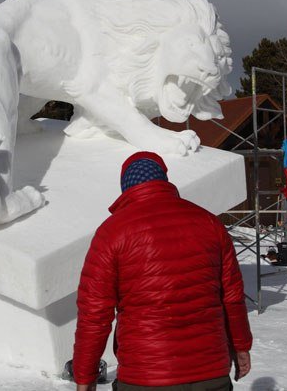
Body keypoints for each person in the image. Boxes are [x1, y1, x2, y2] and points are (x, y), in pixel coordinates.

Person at [72, 151, 252, 391]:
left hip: (145, 377)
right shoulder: (209, 223)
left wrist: (85, 378)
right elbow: (232, 297)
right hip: (211, 374)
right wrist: (241, 347)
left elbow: (94, 315)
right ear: (164, 181)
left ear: (126, 188)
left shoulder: (112, 233)